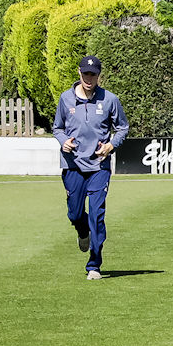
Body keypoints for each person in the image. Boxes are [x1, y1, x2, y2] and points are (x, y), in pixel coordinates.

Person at [52, 55, 130, 280]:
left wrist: (110, 146)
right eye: (86, 74)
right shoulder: (65, 99)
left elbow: (122, 128)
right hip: (72, 165)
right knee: (75, 214)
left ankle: (94, 265)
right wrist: (63, 140)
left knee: (97, 215)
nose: (89, 78)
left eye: (93, 74)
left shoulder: (110, 100)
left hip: (99, 166)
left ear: (98, 75)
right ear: (79, 73)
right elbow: (57, 128)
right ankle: (82, 230)